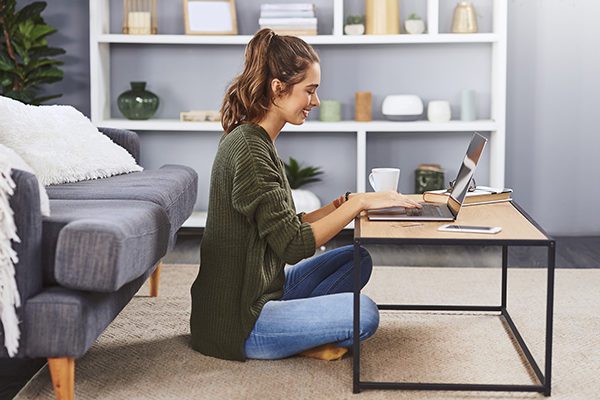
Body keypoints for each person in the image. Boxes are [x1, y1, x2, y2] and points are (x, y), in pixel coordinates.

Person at [190, 28, 421, 362]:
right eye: (309, 91)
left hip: (260, 286)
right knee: (365, 313)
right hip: (239, 321)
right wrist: (359, 203)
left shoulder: (254, 138)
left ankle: (302, 326)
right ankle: (299, 334)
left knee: (356, 260)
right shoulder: (250, 150)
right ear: (278, 88)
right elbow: (294, 245)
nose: (315, 101)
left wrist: (338, 206)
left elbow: (281, 226)